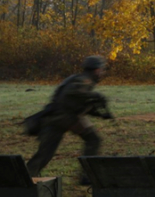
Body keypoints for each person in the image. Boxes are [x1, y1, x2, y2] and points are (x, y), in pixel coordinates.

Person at [26, 55, 113, 183]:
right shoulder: (84, 80)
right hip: (65, 117)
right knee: (93, 140)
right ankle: (86, 176)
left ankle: (25, 178)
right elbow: (71, 94)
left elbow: (77, 101)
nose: (102, 73)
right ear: (96, 70)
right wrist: (96, 95)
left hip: (57, 118)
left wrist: (100, 113)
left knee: (45, 153)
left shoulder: (78, 78)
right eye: (101, 70)